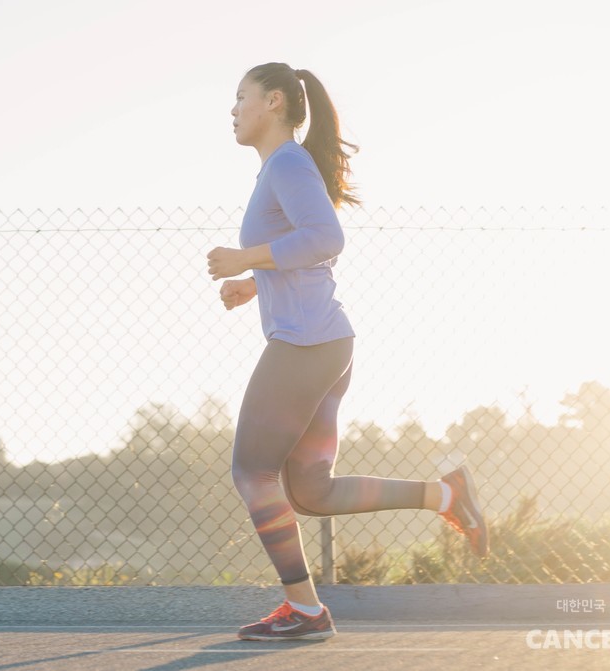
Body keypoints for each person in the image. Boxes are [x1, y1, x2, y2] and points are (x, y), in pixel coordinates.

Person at [207, 62, 489, 642]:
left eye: (241, 97)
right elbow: (307, 251)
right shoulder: (280, 169)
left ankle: (306, 611)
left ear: (276, 102)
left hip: (307, 346)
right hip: (326, 344)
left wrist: (245, 258)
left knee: (252, 471)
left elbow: (327, 238)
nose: (232, 110)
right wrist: (254, 282)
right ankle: (447, 494)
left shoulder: (286, 162)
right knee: (311, 491)